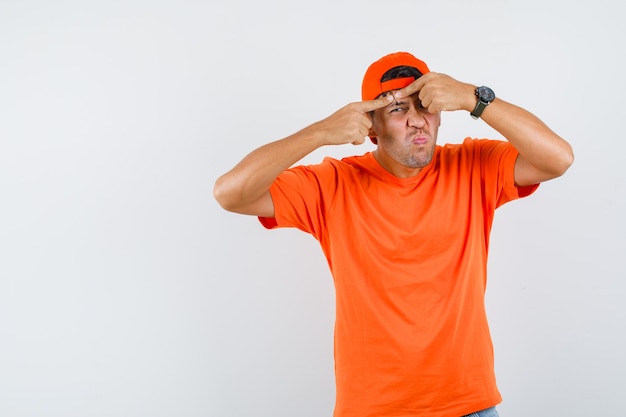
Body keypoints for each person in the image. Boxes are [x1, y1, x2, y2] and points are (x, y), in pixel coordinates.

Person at [213, 52, 574, 417]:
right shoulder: (332, 184)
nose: (419, 122)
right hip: (373, 409)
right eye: (399, 109)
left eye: (427, 105)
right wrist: (321, 132)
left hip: (469, 405)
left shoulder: (471, 166)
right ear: (371, 127)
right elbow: (230, 193)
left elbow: (558, 158)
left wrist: (472, 98)